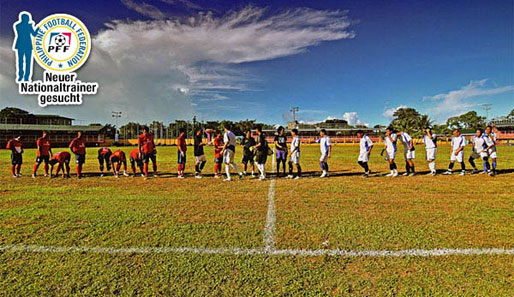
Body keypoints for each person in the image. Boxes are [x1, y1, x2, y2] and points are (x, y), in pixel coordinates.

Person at [12, 12, 39, 82]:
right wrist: (36, 27)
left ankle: (22, 76)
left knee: (21, 61)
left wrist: (30, 25)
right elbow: (34, 34)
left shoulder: (18, 25)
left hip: (21, 45)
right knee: (27, 62)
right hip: (26, 45)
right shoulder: (26, 26)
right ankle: (26, 77)